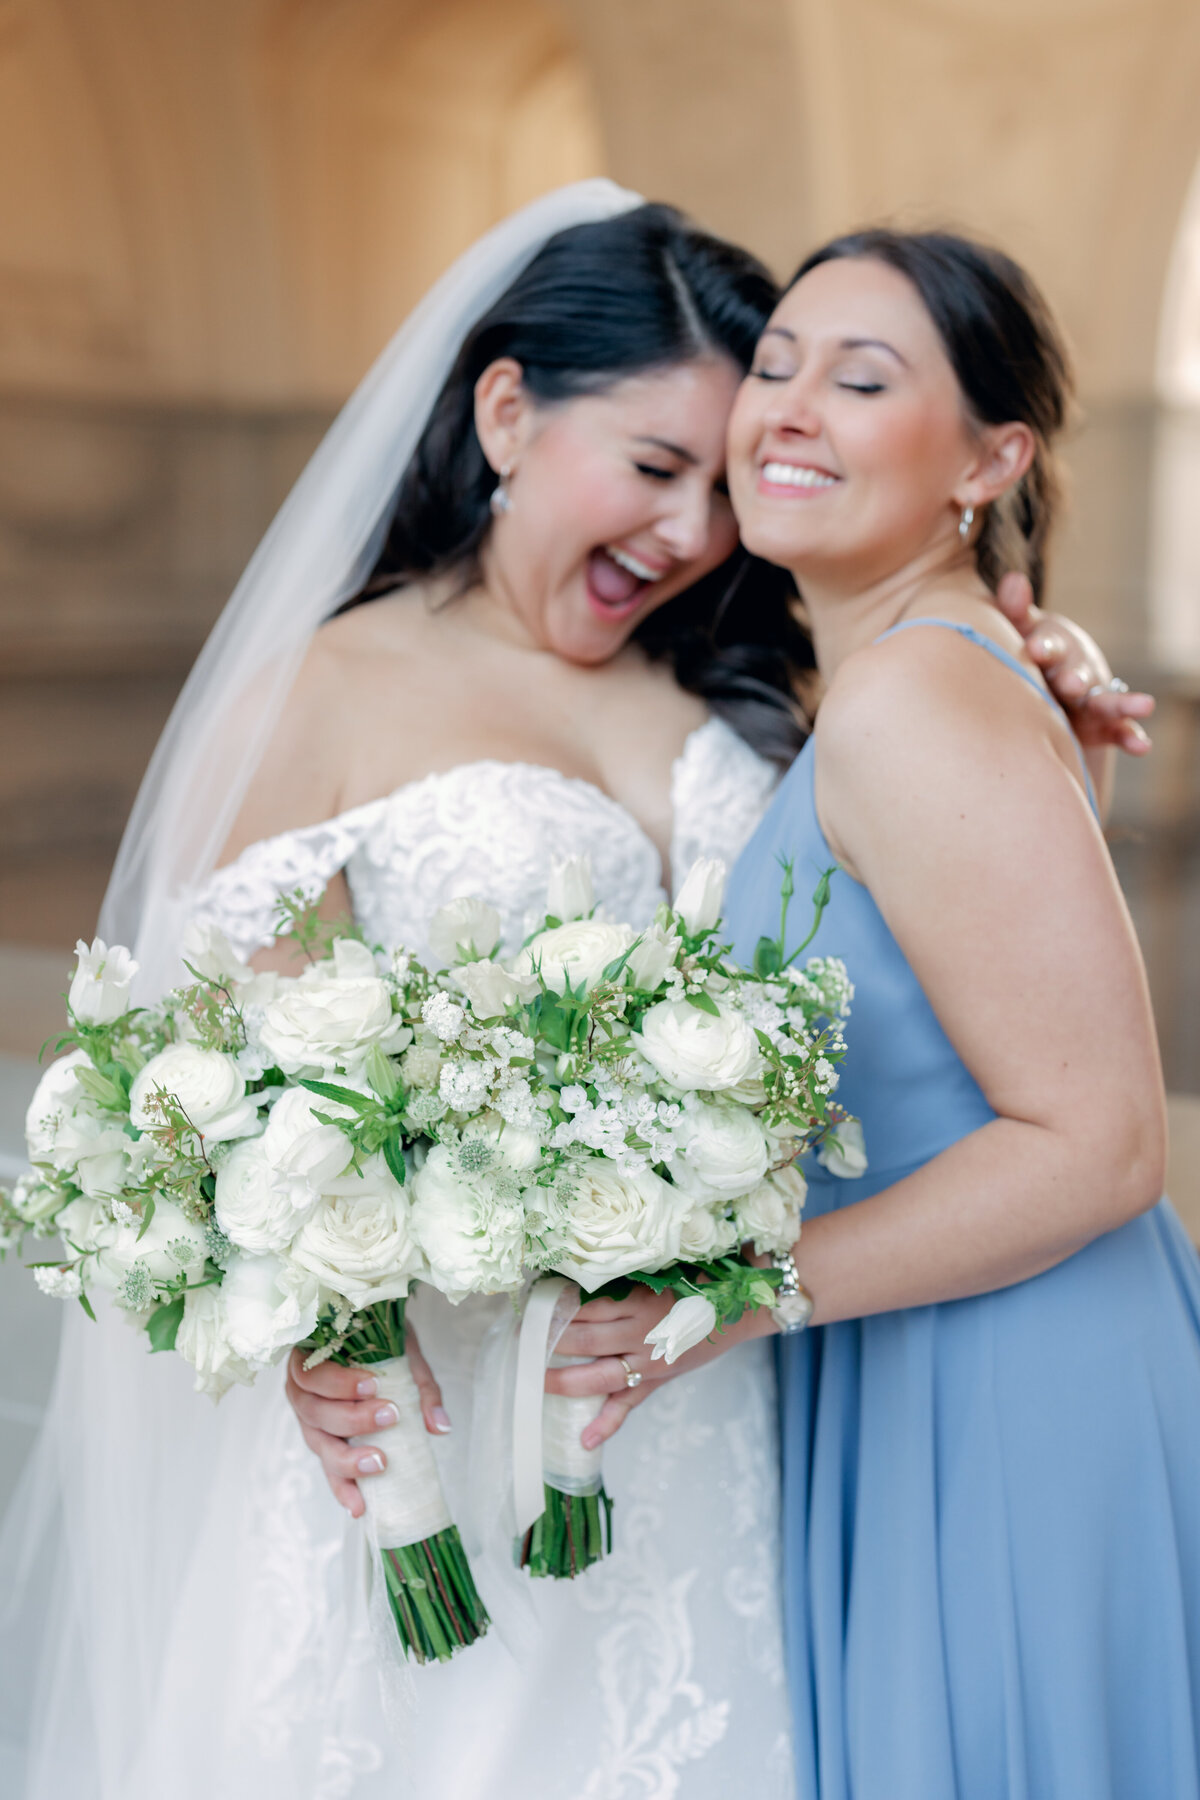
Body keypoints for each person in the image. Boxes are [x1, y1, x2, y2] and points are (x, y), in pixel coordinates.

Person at [0, 184, 1150, 1800]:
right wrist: (308, 1336)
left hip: (722, 1407)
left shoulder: (758, 679)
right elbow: (233, 1105)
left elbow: (935, 877)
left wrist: (1049, 694)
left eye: (716, 477)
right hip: (459, 1434)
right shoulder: (323, 695)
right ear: (508, 413)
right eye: (655, 469)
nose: (690, 534)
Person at [550, 228, 1200, 1799]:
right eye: (775, 367)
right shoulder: (931, 669)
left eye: (861, 379)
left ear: (992, 456)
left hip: (1002, 1379)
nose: (787, 408)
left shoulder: (916, 695)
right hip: (934, 1342)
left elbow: (1103, 1143)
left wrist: (728, 1296)